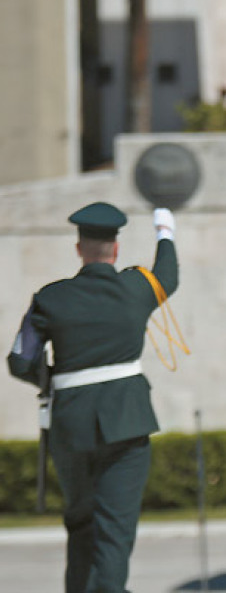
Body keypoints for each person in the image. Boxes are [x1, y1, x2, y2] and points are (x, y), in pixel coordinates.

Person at [7, 202, 178, 593]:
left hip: (70, 425)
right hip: (126, 423)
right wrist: (164, 231)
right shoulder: (135, 288)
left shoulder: (50, 298)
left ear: (79, 248)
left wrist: (56, 381)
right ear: (115, 250)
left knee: (81, 524)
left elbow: (19, 361)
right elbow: (168, 277)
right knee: (114, 532)